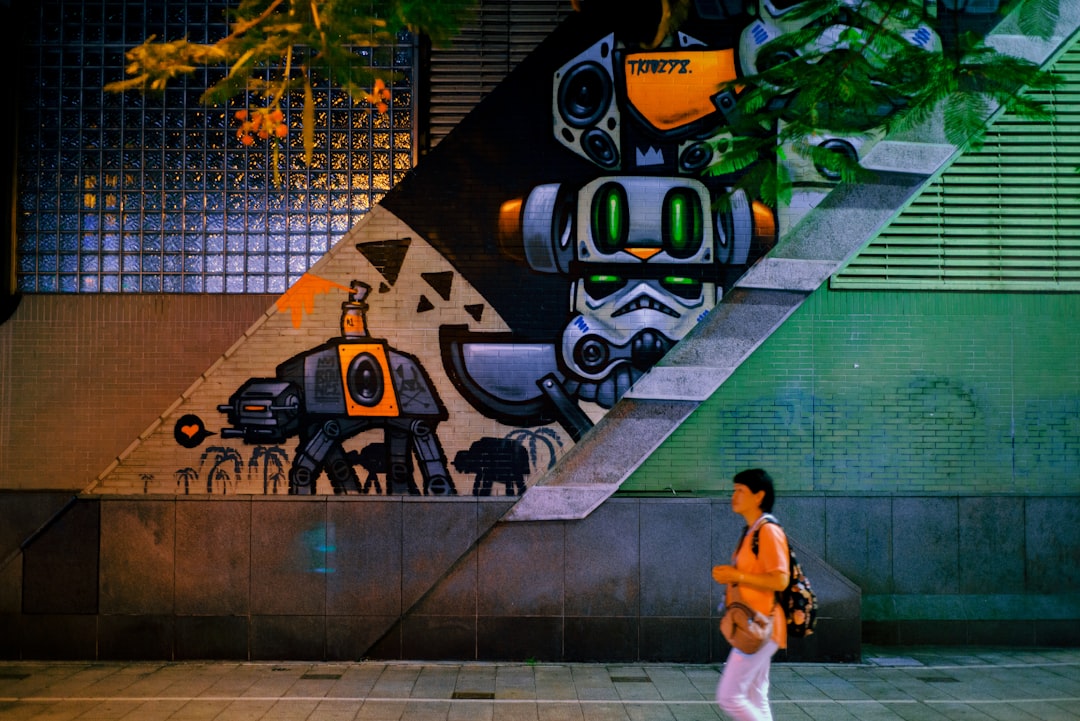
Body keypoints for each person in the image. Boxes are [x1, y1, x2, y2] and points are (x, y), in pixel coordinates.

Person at [711, 468, 790, 721]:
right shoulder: (751, 531)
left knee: (729, 696)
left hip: (761, 627)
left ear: (759, 496)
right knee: (757, 696)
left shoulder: (767, 531)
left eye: (740, 491)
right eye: (734, 490)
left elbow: (780, 579)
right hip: (758, 625)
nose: (734, 496)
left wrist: (736, 576)